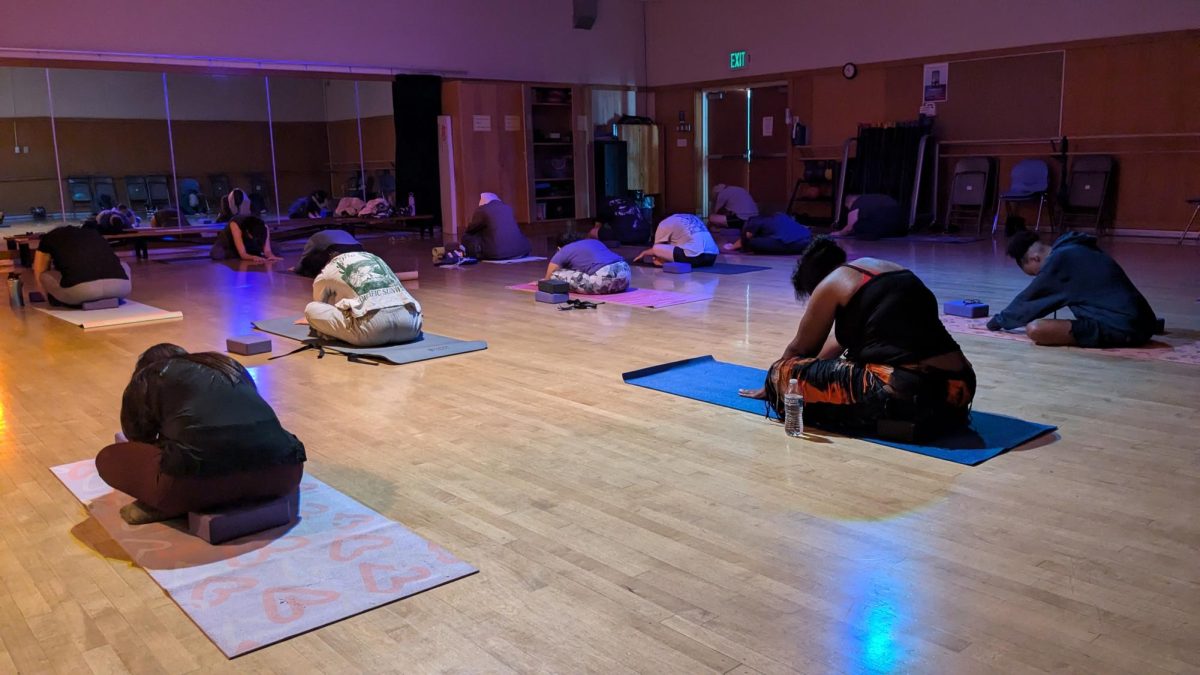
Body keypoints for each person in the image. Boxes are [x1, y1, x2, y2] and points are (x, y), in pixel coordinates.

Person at [739, 237, 975, 435]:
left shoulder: (831, 284)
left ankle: (897, 424)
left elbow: (799, 351)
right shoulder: (883, 269)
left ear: (815, 283)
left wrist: (773, 384)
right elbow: (832, 347)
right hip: (960, 387)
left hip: (914, 392)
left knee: (785, 374)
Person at [97, 343, 306, 525]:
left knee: (109, 458)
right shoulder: (225, 364)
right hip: (286, 475)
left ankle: (172, 505)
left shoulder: (148, 376)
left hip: (194, 488)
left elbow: (137, 436)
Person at [987, 230, 1158, 347]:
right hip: (1143, 321)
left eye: (1036, 275)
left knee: (1036, 329)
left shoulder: (1061, 261)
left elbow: (1029, 302)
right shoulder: (1077, 248)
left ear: (1035, 259)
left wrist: (997, 322)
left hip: (1124, 328)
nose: (1041, 278)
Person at [304, 251, 423, 347]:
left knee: (311, 308)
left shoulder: (327, 271)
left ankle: (333, 334)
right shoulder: (373, 257)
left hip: (372, 331)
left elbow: (319, 303)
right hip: (411, 325)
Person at [33, 225, 131, 306]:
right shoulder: (94, 234)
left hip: (81, 292)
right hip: (121, 289)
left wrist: (46, 295)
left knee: (45, 275)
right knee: (123, 265)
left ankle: (62, 299)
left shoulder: (48, 239)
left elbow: (39, 269)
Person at [544, 233, 632, 295]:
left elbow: (549, 277)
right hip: (625, 274)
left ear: (559, 247)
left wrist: (545, 282)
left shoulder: (564, 250)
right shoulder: (594, 241)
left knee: (555, 275)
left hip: (603, 279)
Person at [463, 192, 532, 260]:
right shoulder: (508, 208)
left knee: (467, 236)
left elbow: (471, 230)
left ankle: (464, 253)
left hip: (497, 253)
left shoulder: (482, 209)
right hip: (522, 251)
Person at [633, 213, 719, 267]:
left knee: (656, 248)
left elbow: (657, 251)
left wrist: (645, 253)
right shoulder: (686, 217)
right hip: (712, 257)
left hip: (694, 257)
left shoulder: (663, 223)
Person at [724, 212, 812, 254]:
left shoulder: (753, 221)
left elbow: (747, 236)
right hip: (806, 242)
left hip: (788, 243)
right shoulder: (778, 216)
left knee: (752, 243)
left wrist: (733, 246)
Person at [293, 229, 364, 278]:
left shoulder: (314, 238)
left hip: (338, 250)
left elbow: (305, 255)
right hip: (359, 251)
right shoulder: (339, 232)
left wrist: (297, 269)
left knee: (309, 259)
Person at [831, 194, 906, 240]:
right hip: (898, 225)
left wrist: (839, 233)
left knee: (858, 225)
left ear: (850, 202)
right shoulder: (876, 198)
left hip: (880, 224)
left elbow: (849, 227)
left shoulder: (857, 202)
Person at [209, 215, 281, 262]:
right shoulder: (236, 224)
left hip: (250, 245)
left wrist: (271, 256)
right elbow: (242, 253)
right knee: (217, 253)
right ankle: (251, 253)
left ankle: (252, 253)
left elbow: (267, 250)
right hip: (230, 245)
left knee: (276, 248)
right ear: (247, 231)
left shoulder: (264, 228)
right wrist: (252, 257)